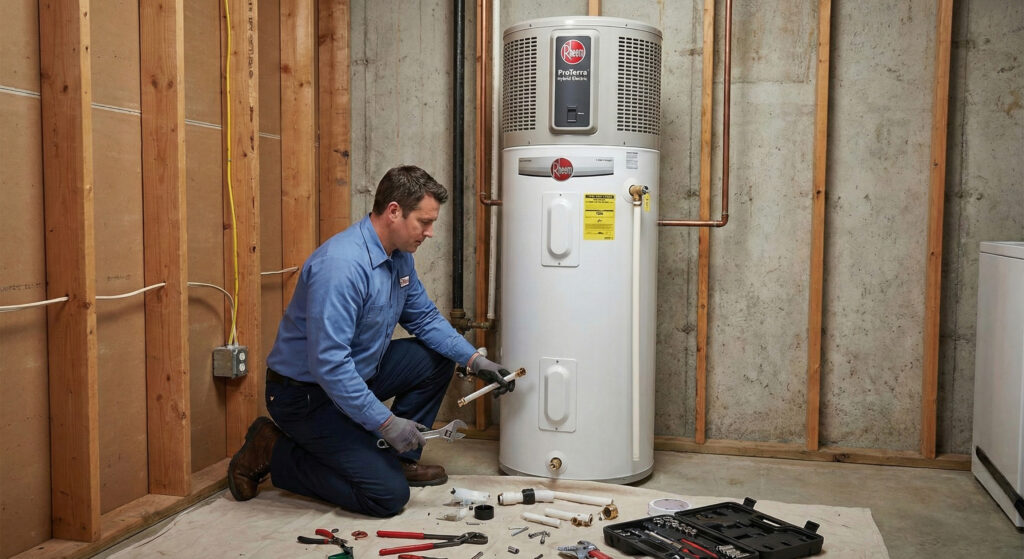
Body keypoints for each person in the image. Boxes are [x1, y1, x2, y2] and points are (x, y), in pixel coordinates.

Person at [227, 165, 514, 517]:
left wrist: (475, 361)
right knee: (387, 496)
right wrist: (385, 422)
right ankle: (272, 450)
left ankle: (399, 458)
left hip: (357, 374)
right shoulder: (342, 267)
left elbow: (423, 317)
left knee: (435, 357)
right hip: (305, 396)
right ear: (394, 211)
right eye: (424, 222)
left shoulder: (399, 257)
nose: (430, 232)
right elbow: (330, 366)